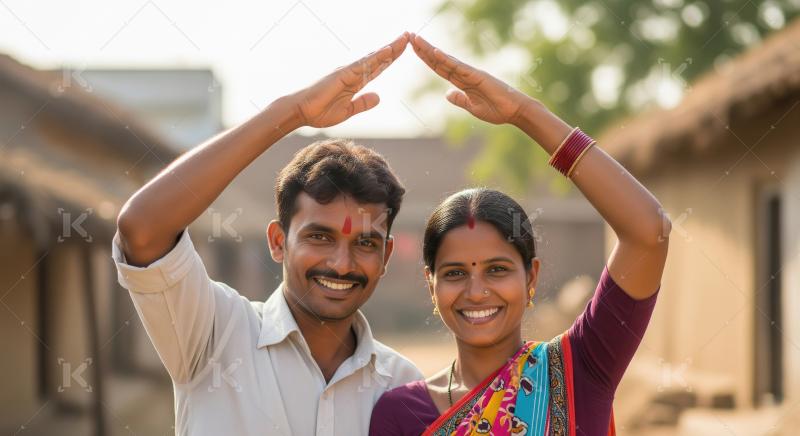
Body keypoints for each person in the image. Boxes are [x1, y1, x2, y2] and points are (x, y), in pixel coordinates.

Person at [113, 33, 424, 435]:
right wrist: (290, 113)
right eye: (320, 237)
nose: (341, 264)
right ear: (278, 241)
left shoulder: (401, 387)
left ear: (385, 257)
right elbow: (142, 228)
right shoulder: (215, 334)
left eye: (365, 243)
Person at [369, 33, 671, 435]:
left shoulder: (582, 367)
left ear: (531, 276)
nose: (476, 292)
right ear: (431, 284)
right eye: (456, 273)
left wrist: (524, 113)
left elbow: (650, 231)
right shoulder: (400, 414)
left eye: (497, 269)